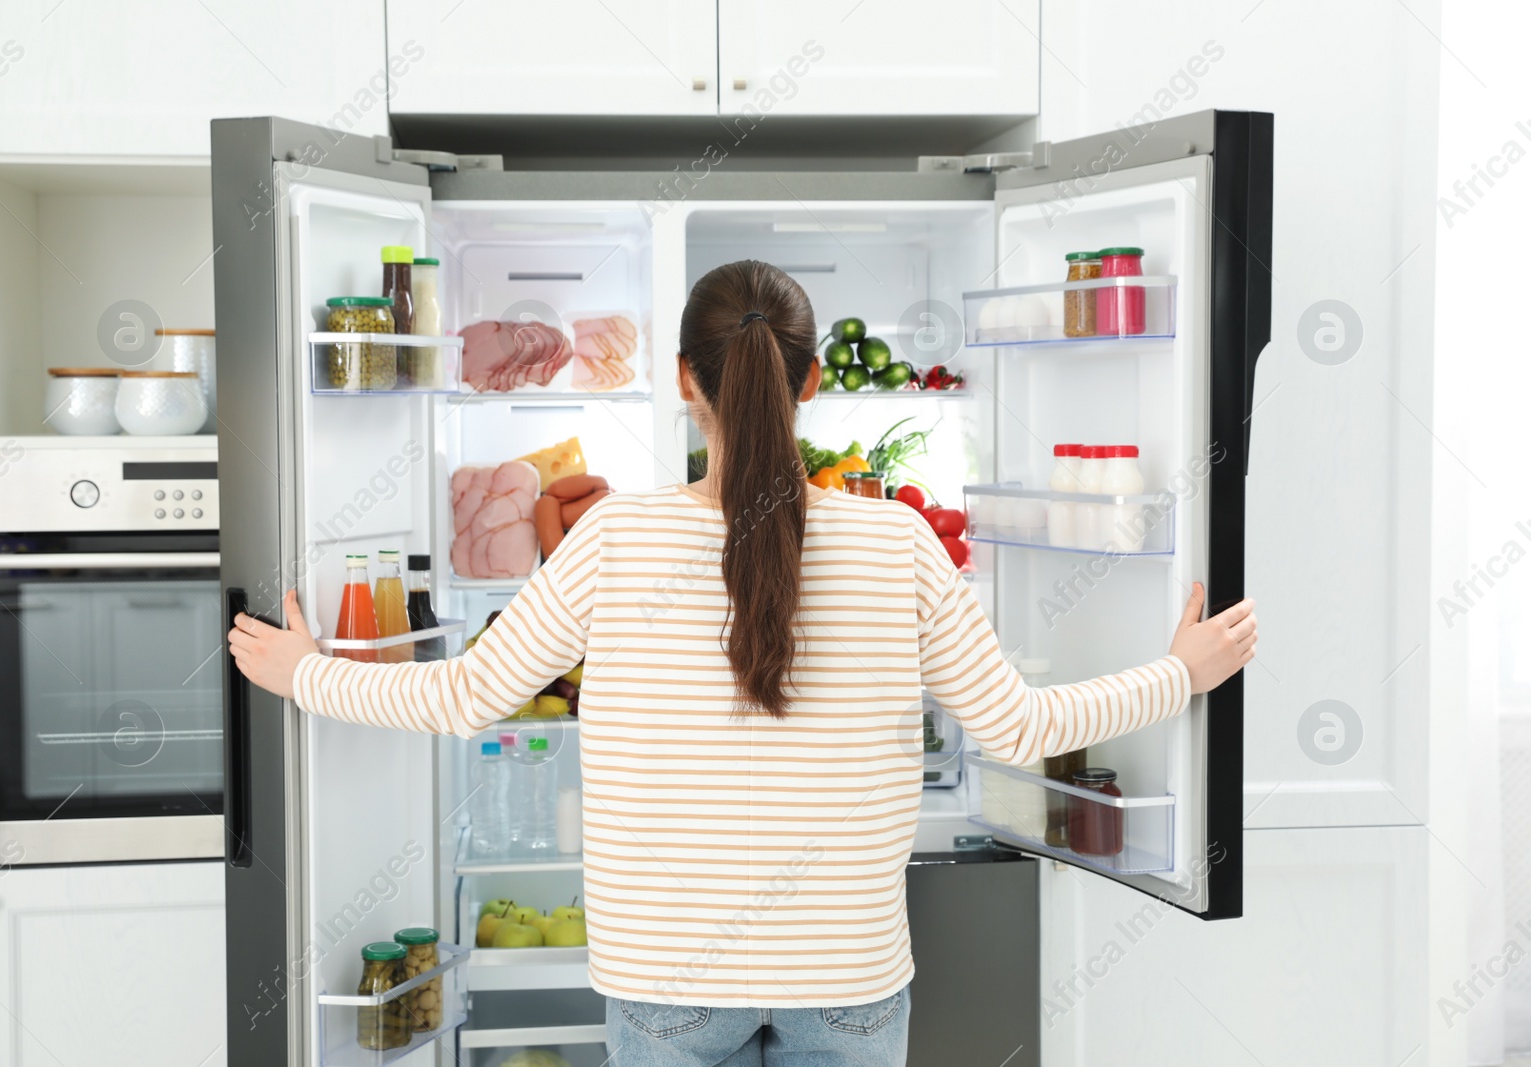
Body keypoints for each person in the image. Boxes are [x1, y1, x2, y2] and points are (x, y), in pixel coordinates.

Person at [229, 259, 1256, 1067]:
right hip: (845, 972)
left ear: (686, 382)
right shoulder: (896, 539)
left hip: (669, 975)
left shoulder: (612, 540)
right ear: (810, 380)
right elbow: (1022, 726)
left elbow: (464, 696)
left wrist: (306, 671)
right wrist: (1182, 670)